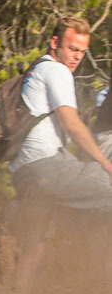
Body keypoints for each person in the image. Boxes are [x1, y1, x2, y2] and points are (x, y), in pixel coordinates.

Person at [10, 16, 112, 211]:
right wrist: (106, 163)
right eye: (73, 49)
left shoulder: (37, 68)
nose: (78, 57)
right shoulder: (57, 70)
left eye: (83, 52)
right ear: (55, 42)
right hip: (47, 166)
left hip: (23, 173)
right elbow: (72, 124)